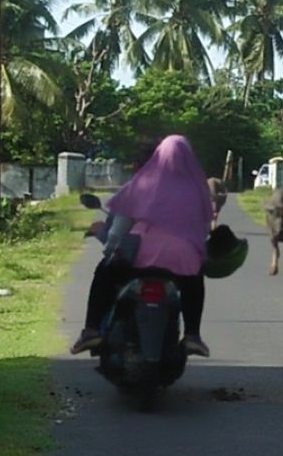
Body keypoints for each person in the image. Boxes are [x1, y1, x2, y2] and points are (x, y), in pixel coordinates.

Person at [71, 135, 214, 357]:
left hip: (139, 256)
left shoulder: (142, 184)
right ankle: (193, 335)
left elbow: (119, 228)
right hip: (181, 261)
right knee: (194, 281)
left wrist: (111, 251)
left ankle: (90, 331)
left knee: (103, 273)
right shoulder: (197, 191)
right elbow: (203, 231)